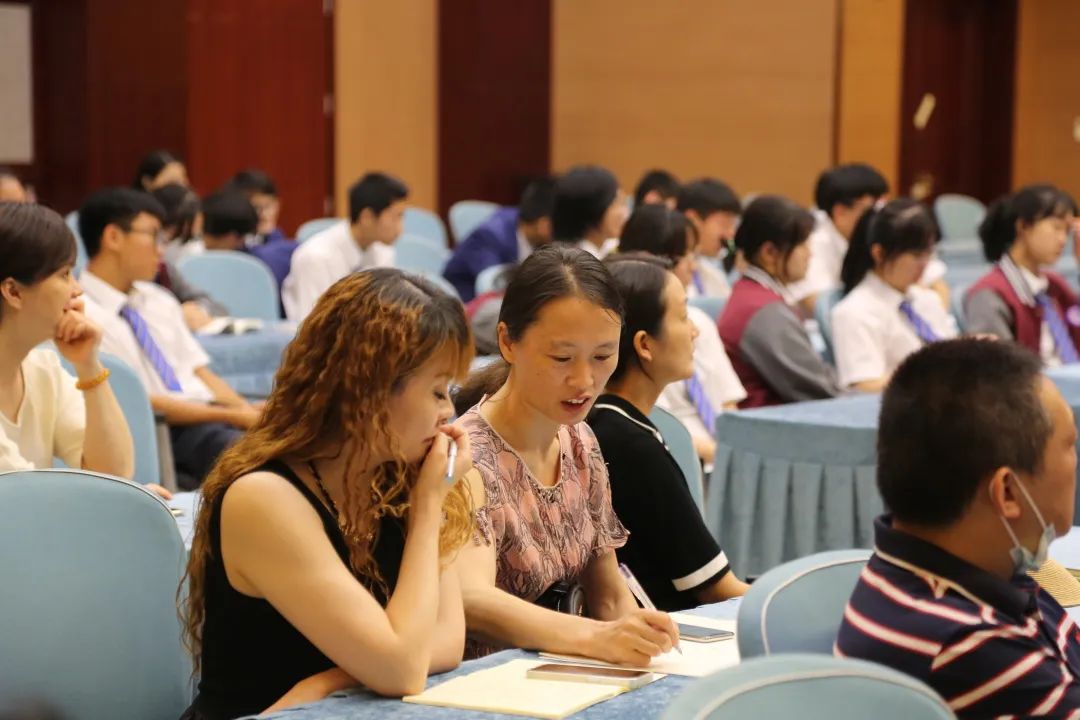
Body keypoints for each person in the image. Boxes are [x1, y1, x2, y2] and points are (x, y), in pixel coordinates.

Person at [182, 269, 476, 720]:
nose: (448, 412)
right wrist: (429, 507)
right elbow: (401, 668)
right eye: (437, 391)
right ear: (371, 392)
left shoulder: (397, 478)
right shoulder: (263, 497)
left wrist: (330, 680)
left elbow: (447, 640)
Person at [453, 244, 679, 665]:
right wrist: (594, 637)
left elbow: (609, 596)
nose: (584, 379)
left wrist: (644, 644)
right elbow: (472, 600)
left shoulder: (580, 442)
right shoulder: (467, 456)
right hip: (481, 686)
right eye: (561, 358)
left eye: (602, 356)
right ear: (507, 341)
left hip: (563, 675)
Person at [836, 338, 1080, 717]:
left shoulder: (976, 568)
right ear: (1008, 492)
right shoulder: (972, 646)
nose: (1075, 462)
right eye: (1070, 445)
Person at [588, 254, 748, 610]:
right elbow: (716, 589)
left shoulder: (609, 421)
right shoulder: (630, 445)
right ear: (644, 344)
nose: (695, 330)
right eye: (683, 315)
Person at [77, 188, 259, 488]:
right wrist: (236, 416)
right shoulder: (83, 315)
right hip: (160, 429)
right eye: (154, 236)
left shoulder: (159, 299)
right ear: (113, 237)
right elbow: (139, 399)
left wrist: (245, 409)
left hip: (206, 415)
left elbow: (198, 370)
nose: (161, 251)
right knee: (259, 457)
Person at [0, 202, 135, 482]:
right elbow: (19, 495)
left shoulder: (43, 369)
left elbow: (114, 475)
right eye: (64, 274)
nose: (77, 289)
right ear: (13, 291)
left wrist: (88, 365)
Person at [617, 204, 746, 461]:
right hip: (683, 457)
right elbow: (660, 427)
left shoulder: (701, 323)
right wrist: (725, 458)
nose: (693, 267)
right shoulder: (630, 334)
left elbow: (728, 404)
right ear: (649, 260)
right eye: (686, 256)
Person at [718, 195, 841, 407]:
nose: (810, 254)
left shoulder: (750, 294)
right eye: (802, 245)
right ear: (769, 253)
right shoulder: (764, 311)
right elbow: (820, 390)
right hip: (776, 430)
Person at [832, 199, 957, 393]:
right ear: (879, 253)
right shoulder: (853, 312)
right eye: (916, 255)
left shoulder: (927, 300)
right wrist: (929, 373)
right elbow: (865, 386)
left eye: (929, 253)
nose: (925, 264)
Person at [789, 163, 949, 313]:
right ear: (840, 212)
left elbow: (938, 285)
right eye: (871, 208)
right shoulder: (813, 243)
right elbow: (818, 305)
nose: (879, 214)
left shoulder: (882, 233)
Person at [965, 184, 1079, 366]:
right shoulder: (988, 294)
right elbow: (998, 374)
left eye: (1067, 231)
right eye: (1057, 228)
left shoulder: (1056, 286)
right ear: (1023, 226)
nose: (1063, 240)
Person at [283, 173, 406, 321]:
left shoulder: (384, 251)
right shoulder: (315, 257)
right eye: (396, 217)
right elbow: (312, 326)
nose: (401, 228)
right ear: (366, 217)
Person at [443, 177, 557, 302]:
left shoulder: (533, 234)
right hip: (465, 307)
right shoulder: (489, 236)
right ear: (543, 224)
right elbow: (494, 288)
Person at [150, 183, 228, 332]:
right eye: (181, 237)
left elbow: (213, 304)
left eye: (195, 237)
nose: (193, 246)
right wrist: (175, 315)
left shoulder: (166, 270)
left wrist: (198, 310)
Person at [196, 190, 296, 295]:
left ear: (231, 237)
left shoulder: (262, 266)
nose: (202, 239)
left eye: (203, 231)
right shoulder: (283, 250)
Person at [676, 178, 741, 299]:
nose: (730, 234)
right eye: (724, 224)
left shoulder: (713, 276)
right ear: (692, 219)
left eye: (733, 225)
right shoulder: (665, 279)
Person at [551, 165, 628, 259]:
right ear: (593, 210)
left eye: (623, 203)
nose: (624, 212)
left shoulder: (612, 248)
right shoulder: (570, 262)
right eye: (616, 203)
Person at [227, 168, 291, 244]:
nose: (263, 214)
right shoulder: (227, 244)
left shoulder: (284, 243)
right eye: (255, 207)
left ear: (277, 205)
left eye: (267, 206)